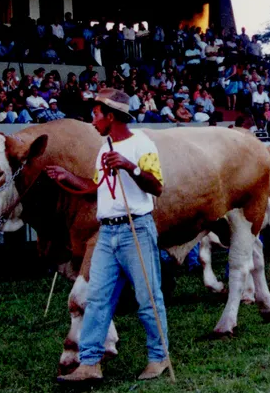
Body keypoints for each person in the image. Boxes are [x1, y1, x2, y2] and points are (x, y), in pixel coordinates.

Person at [49, 88, 171, 383]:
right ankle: (90, 363)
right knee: (97, 298)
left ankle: (159, 357)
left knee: (147, 298)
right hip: (107, 232)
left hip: (136, 229)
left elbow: (156, 187)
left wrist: (129, 167)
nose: (92, 121)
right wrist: (68, 177)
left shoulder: (142, 144)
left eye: (96, 114)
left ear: (111, 116)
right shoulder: (104, 149)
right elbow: (96, 188)